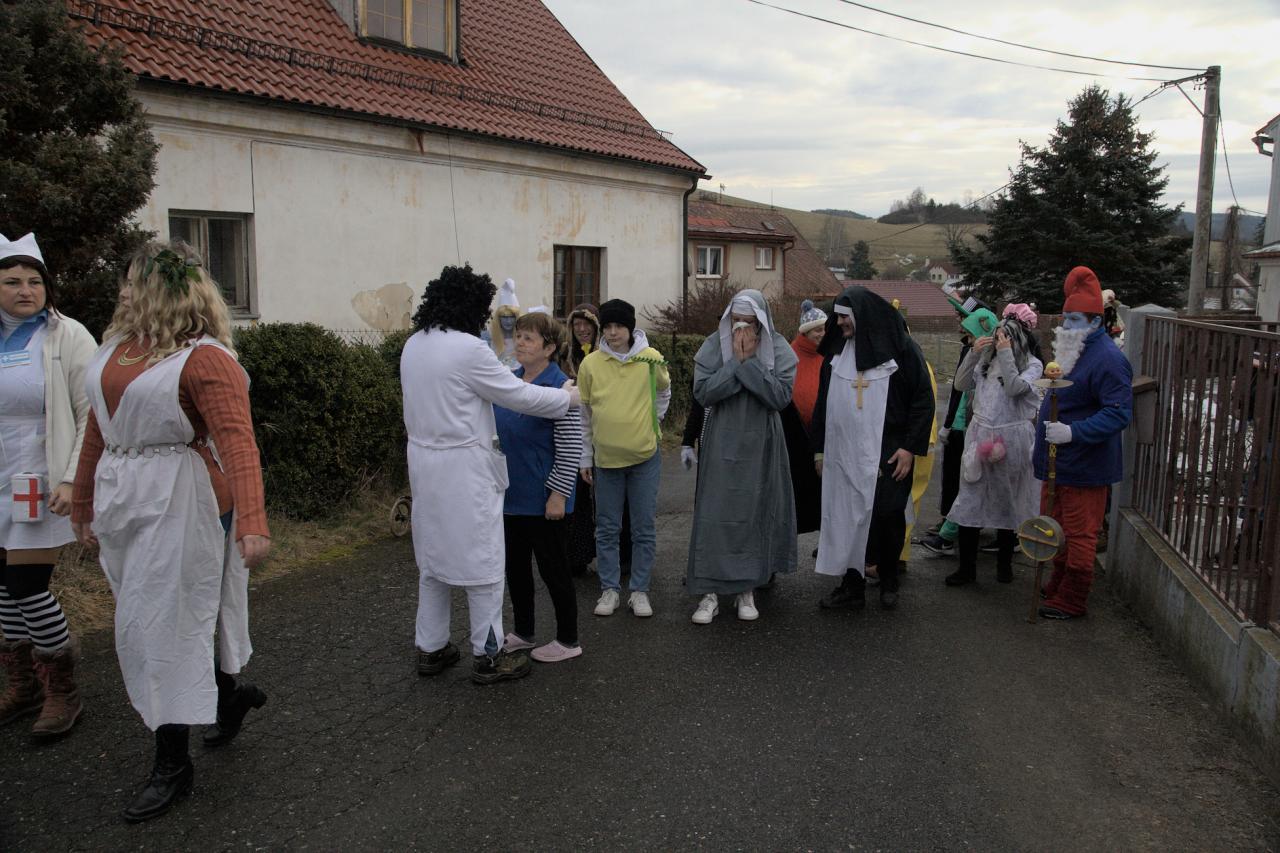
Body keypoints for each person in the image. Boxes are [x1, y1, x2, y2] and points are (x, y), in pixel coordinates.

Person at [71, 239, 270, 822]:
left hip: (183, 498)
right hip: (125, 498)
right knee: (155, 617)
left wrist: (252, 521)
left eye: (135, 281)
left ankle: (172, 765)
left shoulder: (205, 359)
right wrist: (82, 499)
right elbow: (98, 428)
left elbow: (238, 442)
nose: (125, 290)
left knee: (164, 626)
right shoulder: (116, 347)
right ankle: (229, 697)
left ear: (163, 289)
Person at [400, 265, 577, 681]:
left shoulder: (413, 344)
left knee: (432, 560)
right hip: (464, 469)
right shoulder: (468, 349)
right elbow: (516, 395)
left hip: (423, 465)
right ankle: (489, 654)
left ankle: (431, 647)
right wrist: (565, 398)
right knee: (484, 561)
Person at [0, 232, 96, 739]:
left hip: (39, 481)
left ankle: (63, 688)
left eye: (34, 281)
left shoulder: (67, 335)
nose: (25, 290)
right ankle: (25, 686)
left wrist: (72, 477)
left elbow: (91, 413)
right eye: (12, 281)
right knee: (2, 586)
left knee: (27, 585)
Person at [810, 286, 934, 610]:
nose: (838, 323)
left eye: (844, 317)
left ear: (862, 316)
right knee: (846, 517)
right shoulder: (836, 354)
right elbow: (823, 404)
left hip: (889, 450)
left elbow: (922, 399)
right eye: (837, 316)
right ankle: (851, 586)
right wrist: (819, 450)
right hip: (843, 453)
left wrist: (909, 447)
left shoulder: (902, 350)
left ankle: (889, 579)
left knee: (888, 515)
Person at [687, 290, 797, 623]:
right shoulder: (714, 346)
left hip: (761, 442)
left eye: (749, 323)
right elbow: (704, 392)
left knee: (754, 512)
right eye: (736, 321)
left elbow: (779, 397)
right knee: (715, 512)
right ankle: (709, 593)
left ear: (761, 323)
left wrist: (749, 364)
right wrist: (736, 363)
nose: (741, 330)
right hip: (722, 439)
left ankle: (747, 589)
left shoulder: (779, 349)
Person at [1034, 267, 1132, 620]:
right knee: (1057, 527)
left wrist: (1074, 433)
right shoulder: (1074, 350)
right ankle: (1059, 583)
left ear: (1095, 321)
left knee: (1079, 534)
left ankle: (1073, 598)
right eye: (1066, 318)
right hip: (1060, 464)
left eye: (1074, 319)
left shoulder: (1108, 359)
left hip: (1085, 464)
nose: (1067, 325)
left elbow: (1118, 414)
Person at [494, 312, 584, 663]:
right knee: (516, 570)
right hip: (511, 496)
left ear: (549, 348)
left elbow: (571, 447)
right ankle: (523, 632)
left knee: (554, 571)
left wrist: (558, 495)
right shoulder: (511, 382)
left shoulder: (562, 387)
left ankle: (568, 640)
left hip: (545, 499)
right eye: (518, 336)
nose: (520, 343)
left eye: (528, 338)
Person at [577, 299, 670, 618]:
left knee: (643, 528)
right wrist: (585, 457)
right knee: (607, 528)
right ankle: (610, 589)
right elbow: (585, 414)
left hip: (645, 457)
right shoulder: (590, 364)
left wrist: (654, 423)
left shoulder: (650, 358)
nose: (613, 332)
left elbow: (664, 391)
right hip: (606, 460)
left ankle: (639, 590)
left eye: (619, 326)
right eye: (608, 327)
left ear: (630, 329)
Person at [943, 303, 1044, 586]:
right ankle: (967, 568)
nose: (1000, 340)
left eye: (1007, 336)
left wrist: (1007, 354)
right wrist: (973, 354)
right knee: (970, 498)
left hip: (1012, 439)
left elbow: (1013, 387)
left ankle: (1004, 565)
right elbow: (961, 385)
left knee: (1007, 500)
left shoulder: (1033, 365)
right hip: (980, 436)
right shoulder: (986, 361)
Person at [779, 299, 826, 536]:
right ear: (805, 332)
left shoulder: (827, 355)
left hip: (821, 436)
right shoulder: (790, 354)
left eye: (824, 329)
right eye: (817, 330)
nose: (822, 334)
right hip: (794, 435)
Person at [564, 303, 601, 575]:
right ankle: (578, 554)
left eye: (586, 324)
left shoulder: (604, 355)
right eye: (576, 325)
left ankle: (615, 555)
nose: (581, 329)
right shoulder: (565, 356)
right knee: (577, 500)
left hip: (600, 432)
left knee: (605, 500)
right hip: (571, 433)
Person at [486, 278, 521, 370]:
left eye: (512, 317)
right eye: (504, 317)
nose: (508, 321)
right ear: (498, 318)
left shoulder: (523, 338)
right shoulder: (490, 337)